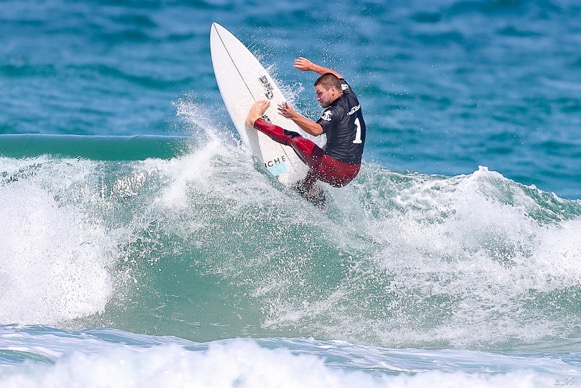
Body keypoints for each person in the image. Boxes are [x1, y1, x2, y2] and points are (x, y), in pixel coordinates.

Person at [246, 57, 366, 201]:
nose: (317, 98)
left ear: (332, 90)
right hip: (352, 171)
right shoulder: (349, 95)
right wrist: (311, 66)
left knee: (293, 138)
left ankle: (255, 121)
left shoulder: (335, 111)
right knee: (322, 150)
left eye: (320, 93)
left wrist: (293, 115)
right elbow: (337, 76)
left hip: (332, 170)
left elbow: (316, 130)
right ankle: (306, 187)